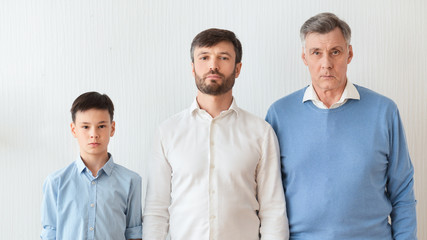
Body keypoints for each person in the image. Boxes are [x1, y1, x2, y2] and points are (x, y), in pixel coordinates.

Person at [266, 12, 417, 239]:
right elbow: (267, 196)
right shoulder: (279, 114)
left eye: (335, 52)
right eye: (316, 53)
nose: (326, 63)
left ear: (349, 54)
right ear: (305, 58)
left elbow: (402, 191)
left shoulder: (384, 111)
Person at [143, 28, 289, 240]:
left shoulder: (261, 132)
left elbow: (273, 210)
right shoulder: (168, 132)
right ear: (192, 68)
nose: (213, 65)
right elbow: (157, 209)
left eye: (223, 57)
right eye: (204, 57)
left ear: (237, 68)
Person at [40, 92, 142, 240]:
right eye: (86, 127)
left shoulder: (131, 181)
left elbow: (134, 234)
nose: (94, 134)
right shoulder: (55, 183)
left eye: (101, 126)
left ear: (112, 128)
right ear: (74, 129)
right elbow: (49, 235)